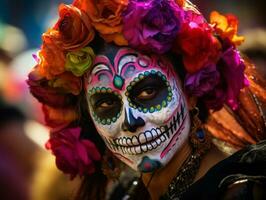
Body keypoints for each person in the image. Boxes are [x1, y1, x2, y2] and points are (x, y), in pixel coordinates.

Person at [27, 0, 266, 199]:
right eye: (106, 103)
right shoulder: (127, 193)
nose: (131, 120)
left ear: (192, 91)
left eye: (148, 92)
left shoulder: (242, 191)